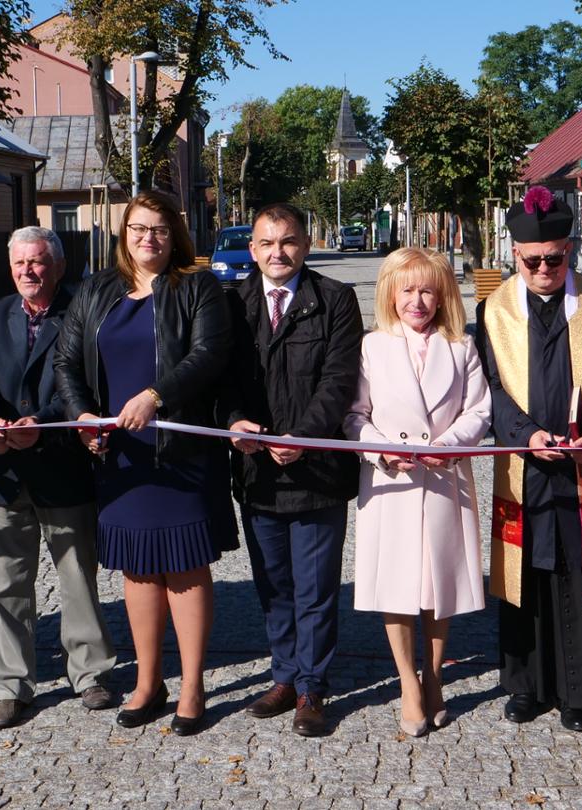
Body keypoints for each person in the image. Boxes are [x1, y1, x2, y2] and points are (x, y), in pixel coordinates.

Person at [55, 191, 233, 737]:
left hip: (179, 453)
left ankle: (192, 686)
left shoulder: (196, 286)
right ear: (122, 233)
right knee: (137, 567)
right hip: (121, 457)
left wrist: (155, 396)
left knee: (183, 564)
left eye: (158, 229)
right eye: (137, 228)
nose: (147, 238)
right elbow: (67, 361)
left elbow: (209, 356)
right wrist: (82, 414)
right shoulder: (96, 290)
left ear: (173, 234)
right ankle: (149, 681)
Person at [474, 187, 582, 733]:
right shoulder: (492, 310)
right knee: (525, 570)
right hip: (524, 462)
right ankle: (526, 686)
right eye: (532, 260)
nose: (544, 269)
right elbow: (489, 388)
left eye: (555, 258)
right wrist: (523, 433)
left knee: (581, 568)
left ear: (571, 250)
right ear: (514, 257)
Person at [221, 202, 364, 738]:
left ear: (304, 245)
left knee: (316, 586)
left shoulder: (334, 299)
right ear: (253, 249)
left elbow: (340, 378)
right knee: (273, 583)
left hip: (317, 469)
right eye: (266, 243)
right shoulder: (232, 304)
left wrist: (303, 435)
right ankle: (283, 674)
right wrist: (235, 419)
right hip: (257, 469)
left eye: (288, 242)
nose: (277, 253)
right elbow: (223, 379)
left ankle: (312, 686)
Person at [0, 227, 118, 729]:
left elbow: (90, 380)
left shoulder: (83, 310)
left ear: (56, 266)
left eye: (37, 263)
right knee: (6, 582)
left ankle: (90, 673)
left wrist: (47, 425)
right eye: (19, 264)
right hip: (4, 468)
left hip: (60, 463)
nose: (28, 272)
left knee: (77, 576)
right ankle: (11, 684)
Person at [345, 247, 490, 738]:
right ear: (389, 293)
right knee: (397, 582)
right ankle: (408, 680)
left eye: (428, 289)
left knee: (438, 583)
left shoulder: (462, 346)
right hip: (392, 481)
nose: (417, 300)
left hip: (445, 478)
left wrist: (448, 446)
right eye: (407, 289)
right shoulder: (372, 346)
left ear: (443, 294)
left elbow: (479, 411)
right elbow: (353, 416)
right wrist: (380, 451)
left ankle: (435, 674)